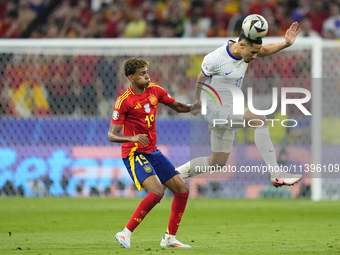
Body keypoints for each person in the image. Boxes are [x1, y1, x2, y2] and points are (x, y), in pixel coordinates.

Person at [176, 21, 303, 188]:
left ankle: (174, 175)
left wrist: (286, 43)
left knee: (217, 162)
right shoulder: (216, 58)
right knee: (259, 119)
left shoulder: (245, 49)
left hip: (228, 110)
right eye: (253, 52)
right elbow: (201, 77)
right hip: (215, 109)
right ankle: (276, 173)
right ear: (242, 45)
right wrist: (197, 102)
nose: (256, 56)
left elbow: (264, 50)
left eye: (256, 52)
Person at [108, 57, 200, 248]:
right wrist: (131, 138)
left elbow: (177, 107)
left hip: (152, 151)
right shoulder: (124, 101)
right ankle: (125, 233)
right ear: (131, 77)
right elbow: (111, 135)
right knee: (157, 192)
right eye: (142, 74)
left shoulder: (155, 91)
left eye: (147, 72)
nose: (147, 76)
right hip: (134, 153)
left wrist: (193, 108)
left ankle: (169, 238)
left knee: (182, 189)